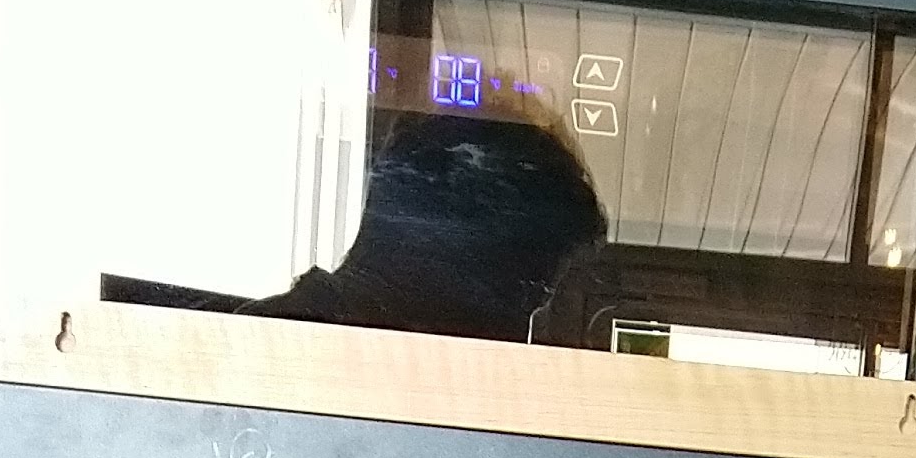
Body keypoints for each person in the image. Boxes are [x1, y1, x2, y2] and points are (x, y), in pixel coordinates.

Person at [102, 107, 608, 342]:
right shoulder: (270, 368)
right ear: (454, 256)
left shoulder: (252, 350)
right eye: (529, 291)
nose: (520, 331)